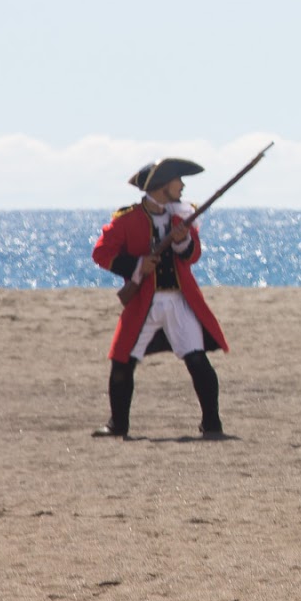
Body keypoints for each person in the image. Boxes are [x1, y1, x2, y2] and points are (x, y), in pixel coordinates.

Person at [91, 158, 229, 439]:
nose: (183, 185)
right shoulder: (127, 219)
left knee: (198, 361)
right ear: (162, 185)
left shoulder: (181, 217)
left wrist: (181, 241)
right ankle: (118, 425)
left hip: (179, 302)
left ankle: (212, 424)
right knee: (122, 362)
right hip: (145, 302)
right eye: (178, 180)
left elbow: (192, 256)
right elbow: (101, 253)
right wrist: (138, 265)